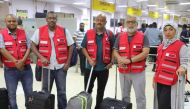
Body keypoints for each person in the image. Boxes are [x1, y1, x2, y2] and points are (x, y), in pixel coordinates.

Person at [31, 11, 74, 109]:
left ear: (56, 19)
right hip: (46, 68)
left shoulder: (64, 31)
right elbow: (32, 45)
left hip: (61, 67)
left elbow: (71, 46)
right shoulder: (39, 31)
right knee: (45, 91)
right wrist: (41, 57)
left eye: (54, 18)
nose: (52, 20)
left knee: (62, 92)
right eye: (50, 18)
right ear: (46, 19)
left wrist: (67, 62)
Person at [113, 16, 150, 109]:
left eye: (133, 22)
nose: (130, 24)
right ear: (125, 24)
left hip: (138, 73)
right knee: (125, 96)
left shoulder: (143, 36)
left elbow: (145, 52)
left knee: (140, 97)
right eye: (128, 22)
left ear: (137, 24)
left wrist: (130, 60)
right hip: (124, 72)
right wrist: (119, 59)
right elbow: (115, 50)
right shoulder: (120, 36)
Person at [81, 14, 114, 109]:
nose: (99, 22)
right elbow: (83, 47)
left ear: (105, 22)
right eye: (97, 20)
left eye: (102, 20)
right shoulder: (89, 33)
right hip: (90, 68)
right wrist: (89, 59)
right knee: (87, 90)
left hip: (104, 69)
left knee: (101, 91)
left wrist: (111, 62)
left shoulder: (110, 34)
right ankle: (87, 106)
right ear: (95, 21)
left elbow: (114, 49)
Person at [0, 14, 33, 109]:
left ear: (17, 22)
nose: (11, 23)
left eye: (14, 21)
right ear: (5, 22)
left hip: (26, 69)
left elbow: (29, 47)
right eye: (9, 21)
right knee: (12, 95)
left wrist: (22, 61)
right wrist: (16, 62)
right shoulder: (1, 34)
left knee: (29, 93)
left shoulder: (24, 32)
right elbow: (2, 49)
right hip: (10, 70)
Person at [153, 23, 188, 109]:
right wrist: (154, 78)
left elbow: (184, 63)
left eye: (171, 29)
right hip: (159, 80)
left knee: (165, 105)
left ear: (176, 31)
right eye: (165, 30)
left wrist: (182, 67)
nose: (168, 32)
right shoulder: (161, 46)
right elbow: (158, 64)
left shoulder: (181, 46)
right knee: (159, 104)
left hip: (171, 82)